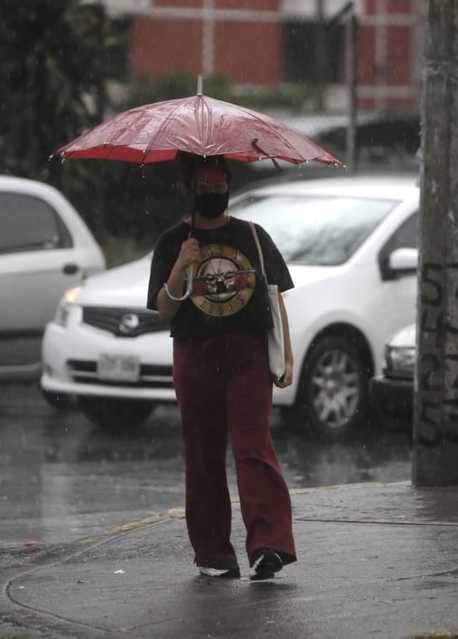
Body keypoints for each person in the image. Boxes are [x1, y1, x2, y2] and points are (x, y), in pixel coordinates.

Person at [146, 153, 296, 581]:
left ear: (229, 184)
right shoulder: (173, 241)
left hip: (247, 354)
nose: (213, 190)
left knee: (253, 447)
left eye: (219, 182)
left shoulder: (253, 236)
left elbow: (274, 295)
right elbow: (162, 310)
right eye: (204, 184)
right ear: (190, 187)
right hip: (195, 354)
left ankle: (270, 545)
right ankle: (214, 552)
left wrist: (285, 354)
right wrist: (182, 265)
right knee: (203, 454)